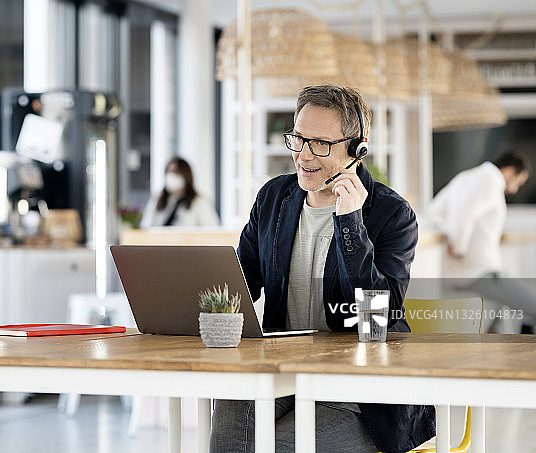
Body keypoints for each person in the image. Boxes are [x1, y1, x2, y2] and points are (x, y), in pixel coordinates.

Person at [210, 84, 435, 453]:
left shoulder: (392, 215)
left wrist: (350, 223)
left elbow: (376, 315)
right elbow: (241, 284)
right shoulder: (273, 198)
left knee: (280, 447)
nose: (303, 155)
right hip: (282, 371)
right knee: (230, 441)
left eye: (320, 144)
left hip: (360, 389)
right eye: (298, 139)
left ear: (357, 148)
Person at [430, 151, 535, 328]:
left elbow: (435, 209)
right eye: (517, 182)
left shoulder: (467, 177)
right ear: (509, 171)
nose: (514, 189)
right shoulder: (490, 180)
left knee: (500, 314)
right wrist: (458, 248)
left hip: (472, 271)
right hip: (477, 272)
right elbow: (463, 216)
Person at [140, 156, 220, 227]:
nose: (171, 176)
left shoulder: (199, 201)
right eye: (169, 172)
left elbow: (212, 228)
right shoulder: (157, 199)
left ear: (186, 175)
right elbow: (146, 225)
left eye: (176, 172)